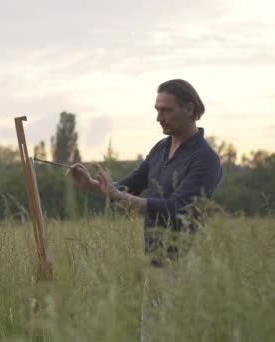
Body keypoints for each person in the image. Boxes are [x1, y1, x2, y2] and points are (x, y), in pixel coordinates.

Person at [69, 79, 222, 340]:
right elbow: (130, 186)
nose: (158, 118)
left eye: (166, 110)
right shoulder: (161, 148)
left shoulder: (205, 158)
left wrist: (117, 195)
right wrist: (95, 187)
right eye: (157, 110)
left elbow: (176, 208)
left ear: (189, 108)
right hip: (155, 264)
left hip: (186, 267)